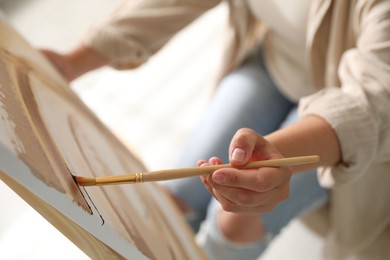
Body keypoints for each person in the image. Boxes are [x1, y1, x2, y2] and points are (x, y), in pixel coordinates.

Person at [42, 0, 390, 259]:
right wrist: (73, 61)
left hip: (355, 106)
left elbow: (373, 100)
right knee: (175, 201)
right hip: (275, 66)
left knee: (234, 222)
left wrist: (277, 158)